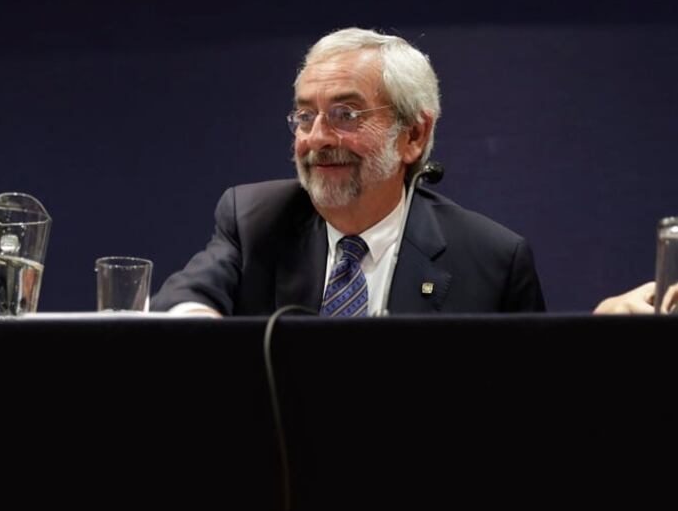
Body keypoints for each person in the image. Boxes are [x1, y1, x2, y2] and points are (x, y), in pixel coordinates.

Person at [152, 28, 545, 317]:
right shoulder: (256, 220)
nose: (318, 137)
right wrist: (198, 329)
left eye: (346, 115)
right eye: (306, 117)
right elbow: (183, 298)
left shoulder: (492, 261)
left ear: (413, 135)